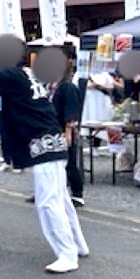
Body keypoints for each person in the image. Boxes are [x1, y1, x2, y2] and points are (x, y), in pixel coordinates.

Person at [0, 43, 88, 274]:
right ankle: (78, 246)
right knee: (60, 199)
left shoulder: (15, 75)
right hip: (50, 142)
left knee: (49, 202)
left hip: (44, 144)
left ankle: (67, 254)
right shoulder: (25, 74)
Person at [50, 50, 84, 207]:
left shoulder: (67, 87)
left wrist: (69, 130)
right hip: (52, 128)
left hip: (64, 128)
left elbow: (71, 110)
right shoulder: (53, 85)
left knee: (69, 161)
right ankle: (53, 191)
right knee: (53, 162)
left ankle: (77, 193)